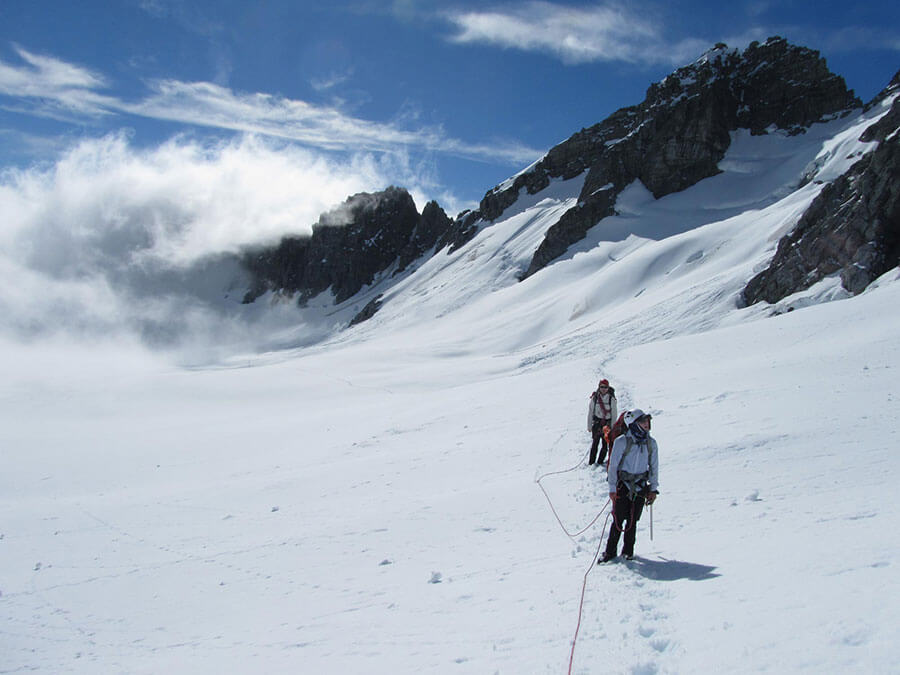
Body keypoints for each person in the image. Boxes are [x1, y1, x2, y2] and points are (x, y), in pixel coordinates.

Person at [599, 409, 659, 562]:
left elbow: (654, 466)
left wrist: (653, 488)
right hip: (623, 486)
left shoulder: (651, 443)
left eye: (646, 421)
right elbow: (613, 466)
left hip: (640, 486)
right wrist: (612, 488)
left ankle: (628, 552)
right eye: (642, 422)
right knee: (619, 519)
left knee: (633, 520)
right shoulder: (621, 441)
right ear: (633, 424)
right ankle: (610, 553)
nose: (646, 425)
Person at [586, 379, 617, 466]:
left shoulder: (611, 399)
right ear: (599, 387)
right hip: (596, 423)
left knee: (604, 444)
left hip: (606, 425)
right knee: (595, 443)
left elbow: (614, 414)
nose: (604, 389)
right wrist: (589, 425)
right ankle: (591, 462)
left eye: (605, 387)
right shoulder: (595, 398)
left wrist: (613, 427)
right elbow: (591, 411)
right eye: (602, 387)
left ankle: (600, 461)